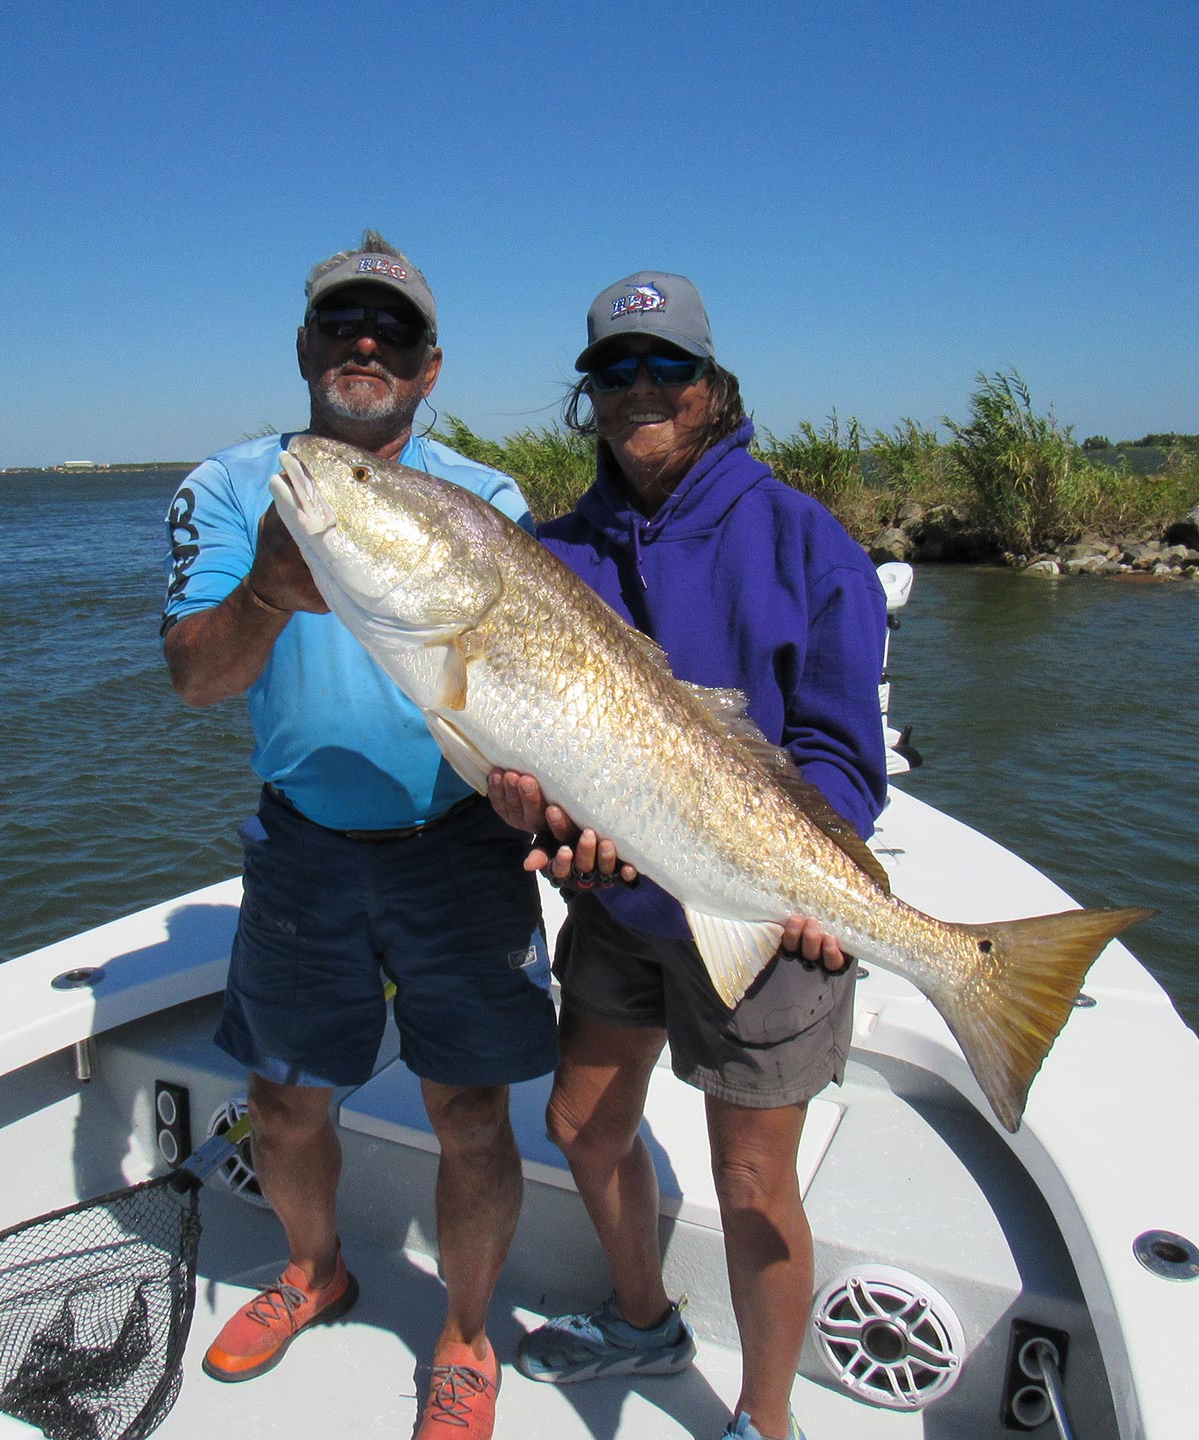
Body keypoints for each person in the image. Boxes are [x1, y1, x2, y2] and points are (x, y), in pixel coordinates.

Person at [162, 231, 556, 1440]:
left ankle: (467, 1337)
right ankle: (313, 1270)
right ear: (305, 348)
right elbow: (196, 680)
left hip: (461, 848)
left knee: (472, 1114)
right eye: (342, 325)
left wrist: (537, 789)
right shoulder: (234, 488)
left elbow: (537, 694)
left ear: (431, 367)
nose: (365, 344)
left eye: (391, 330)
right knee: (283, 1102)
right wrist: (270, 592)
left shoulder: (487, 500)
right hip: (305, 848)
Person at [489, 271, 889, 1440]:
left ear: (713, 388)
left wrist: (813, 879)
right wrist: (541, 820)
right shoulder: (549, 559)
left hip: (765, 913)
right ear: (590, 399)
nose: (642, 391)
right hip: (621, 916)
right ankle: (644, 1318)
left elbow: (838, 750)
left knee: (756, 1189)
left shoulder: (807, 542)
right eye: (615, 371)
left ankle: (764, 1421)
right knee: (580, 1125)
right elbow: (534, 761)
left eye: (668, 368)